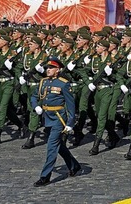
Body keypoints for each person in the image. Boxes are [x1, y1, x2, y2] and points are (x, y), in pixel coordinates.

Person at [31, 56, 81, 187]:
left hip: (59, 118)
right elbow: (34, 96)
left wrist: (70, 123)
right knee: (59, 146)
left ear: (58, 70)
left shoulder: (64, 84)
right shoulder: (43, 82)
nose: (48, 70)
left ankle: (45, 176)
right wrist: (36, 106)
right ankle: (74, 165)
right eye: (47, 67)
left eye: (51, 68)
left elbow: (71, 105)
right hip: (47, 118)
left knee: (52, 147)